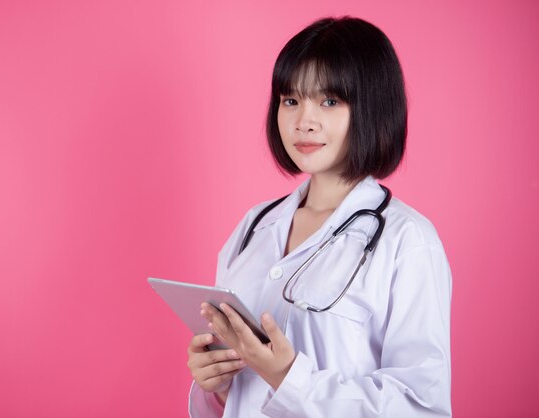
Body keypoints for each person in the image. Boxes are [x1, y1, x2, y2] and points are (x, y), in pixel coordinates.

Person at [187, 16, 452, 417]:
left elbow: (421, 407)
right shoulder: (254, 226)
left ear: (373, 108)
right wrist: (217, 386)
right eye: (290, 100)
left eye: (329, 101)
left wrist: (290, 378)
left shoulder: (408, 241)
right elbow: (240, 398)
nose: (303, 122)